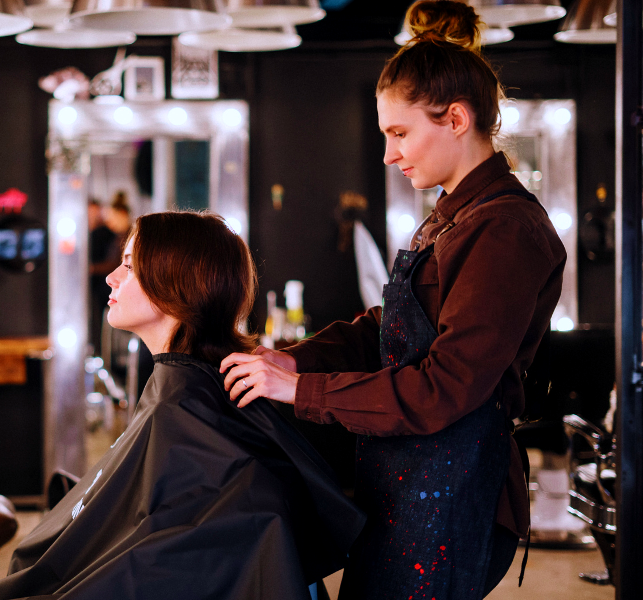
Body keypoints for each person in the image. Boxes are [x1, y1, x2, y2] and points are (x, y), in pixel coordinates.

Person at [221, 2, 567, 599]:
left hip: (451, 493)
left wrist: (303, 391)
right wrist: (294, 361)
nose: (388, 153)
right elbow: (390, 326)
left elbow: (447, 385)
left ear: (456, 118)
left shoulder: (505, 229)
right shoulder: (452, 218)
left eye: (399, 133)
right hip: (407, 477)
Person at [0, 211, 365, 600]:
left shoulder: (183, 404)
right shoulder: (187, 395)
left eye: (129, 265)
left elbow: (156, 561)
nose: (111, 277)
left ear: (174, 285)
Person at [88, 198, 116, 353]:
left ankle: (100, 353)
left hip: (103, 288)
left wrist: (91, 268)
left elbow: (113, 263)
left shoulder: (105, 234)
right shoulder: (87, 234)